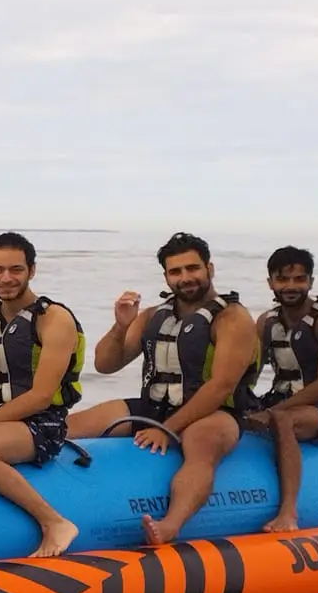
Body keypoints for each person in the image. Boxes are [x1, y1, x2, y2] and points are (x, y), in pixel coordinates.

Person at [68, 231, 259, 545]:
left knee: (201, 445)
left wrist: (166, 429)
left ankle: (170, 524)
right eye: (176, 271)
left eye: (192, 268)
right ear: (167, 277)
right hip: (154, 406)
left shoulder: (232, 318)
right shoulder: (153, 316)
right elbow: (105, 364)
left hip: (215, 411)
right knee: (74, 425)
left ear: (209, 269)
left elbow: (221, 385)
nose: (185, 277)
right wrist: (121, 325)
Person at [0, 233, 86, 557]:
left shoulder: (53, 319)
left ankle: (54, 522)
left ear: (31, 270)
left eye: (15, 269)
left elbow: (40, 396)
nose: (6, 278)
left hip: (42, 423)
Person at [246, 246, 318, 533]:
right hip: (279, 399)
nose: (291, 287)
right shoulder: (267, 322)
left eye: (299, 279)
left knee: (281, 420)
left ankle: (288, 512)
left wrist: (272, 412)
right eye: (283, 280)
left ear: (311, 281)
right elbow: (250, 375)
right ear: (270, 282)